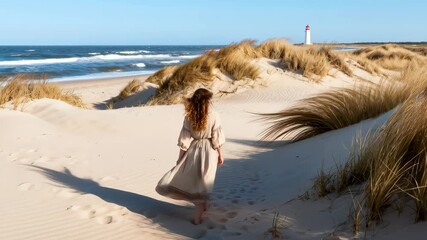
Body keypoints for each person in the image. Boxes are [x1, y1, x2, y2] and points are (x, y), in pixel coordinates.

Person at [156, 88, 226, 225]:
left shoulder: (189, 116)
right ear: (207, 100)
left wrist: (180, 158)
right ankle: (197, 219)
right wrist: (220, 154)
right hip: (209, 151)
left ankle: (203, 207)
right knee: (205, 181)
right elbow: (217, 138)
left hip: (194, 150)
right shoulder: (215, 115)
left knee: (197, 181)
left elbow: (185, 140)